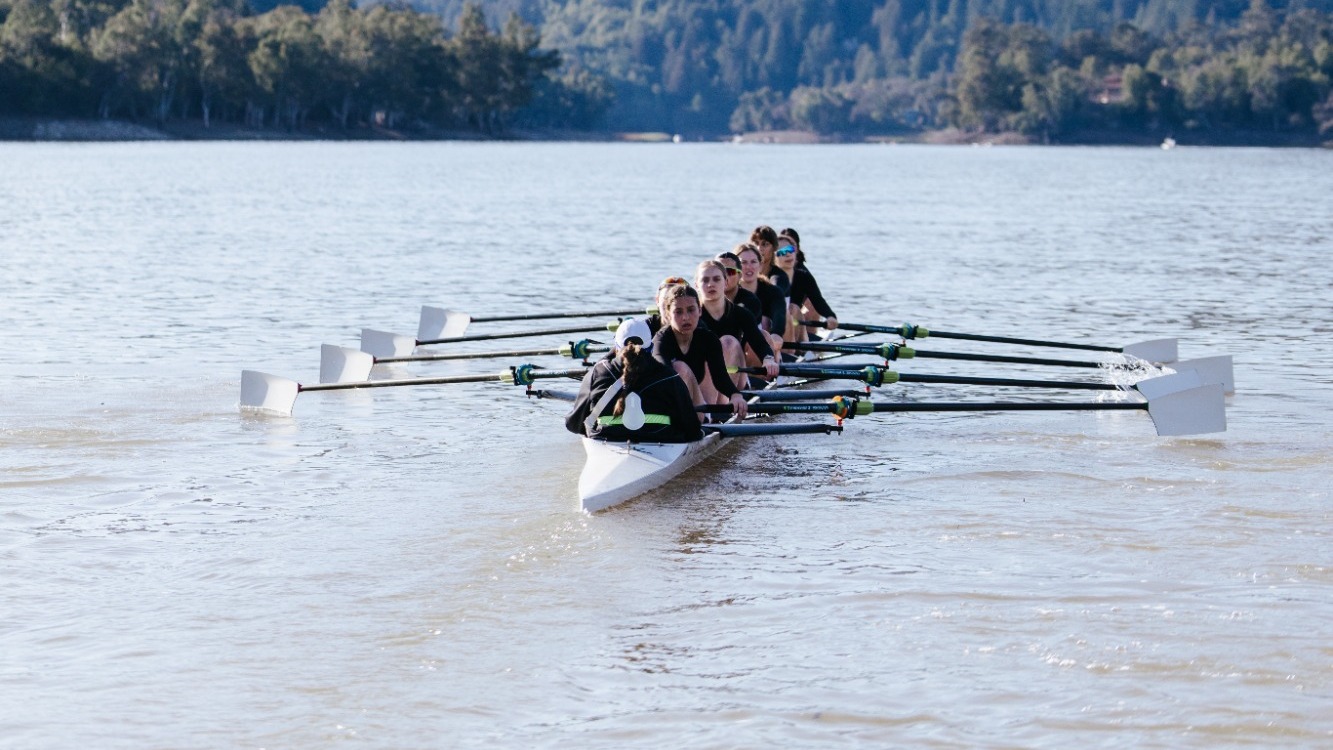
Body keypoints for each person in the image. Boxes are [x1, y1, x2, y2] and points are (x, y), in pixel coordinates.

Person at [565, 318, 701, 443]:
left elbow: (573, 425)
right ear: (651, 348)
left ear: (616, 349)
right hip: (661, 442)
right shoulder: (669, 377)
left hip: (605, 440)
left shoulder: (598, 372)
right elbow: (693, 431)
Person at [651, 283, 749, 420]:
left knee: (681, 368)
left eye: (691, 310)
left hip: (695, 406)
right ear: (667, 314)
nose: (685, 317)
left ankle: (700, 421)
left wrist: (735, 395)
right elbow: (663, 373)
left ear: (700, 311)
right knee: (679, 369)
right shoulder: (661, 340)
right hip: (666, 402)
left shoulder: (708, 338)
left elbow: (720, 377)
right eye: (678, 312)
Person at [694, 259, 780, 387]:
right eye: (705, 280)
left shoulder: (741, 313)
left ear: (726, 282)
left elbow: (758, 341)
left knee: (728, 342)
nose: (710, 284)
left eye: (716, 279)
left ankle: (736, 393)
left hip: (734, 374)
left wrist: (768, 359)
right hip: (703, 375)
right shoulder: (691, 315)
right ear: (696, 285)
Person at [780, 227, 838, 335]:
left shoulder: (803, 275)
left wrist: (830, 316)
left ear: (797, 249)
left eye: (791, 248)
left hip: (794, 320)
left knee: (795, 308)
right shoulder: (766, 274)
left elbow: (817, 299)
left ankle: (809, 337)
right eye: (783, 250)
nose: (787, 253)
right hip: (771, 324)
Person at [735, 242, 787, 354]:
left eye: (753, 262)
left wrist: (776, 333)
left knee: (766, 321)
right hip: (734, 346)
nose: (749, 267)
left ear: (760, 265)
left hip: (764, 344)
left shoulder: (773, 291)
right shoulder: (728, 292)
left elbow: (779, 314)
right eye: (743, 262)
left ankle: (784, 356)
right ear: (736, 267)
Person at [716, 251, 763, 323]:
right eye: (719, 272)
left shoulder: (751, 301)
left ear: (740, 276)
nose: (724, 277)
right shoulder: (705, 300)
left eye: (730, 272)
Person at [749, 225, 788, 295]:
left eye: (764, 244)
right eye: (756, 243)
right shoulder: (745, 273)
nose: (759, 248)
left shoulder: (780, 277)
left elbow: (775, 292)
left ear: (774, 248)